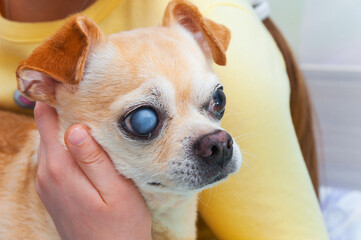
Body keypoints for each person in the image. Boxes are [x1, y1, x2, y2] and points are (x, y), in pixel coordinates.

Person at [0, 0, 328, 239]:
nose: (215, 140)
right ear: (45, 84)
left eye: (214, 103)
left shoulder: (236, 58)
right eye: (143, 121)